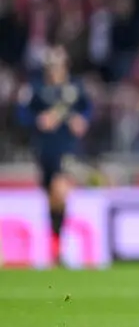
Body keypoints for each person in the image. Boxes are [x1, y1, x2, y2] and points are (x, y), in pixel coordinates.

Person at [16, 45, 92, 267]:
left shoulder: (75, 88)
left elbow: (88, 109)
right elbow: (22, 114)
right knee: (53, 200)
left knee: (60, 190)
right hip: (45, 150)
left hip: (67, 149)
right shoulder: (36, 89)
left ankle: (58, 248)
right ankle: (56, 248)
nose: (55, 69)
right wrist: (38, 120)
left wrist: (82, 121)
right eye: (51, 65)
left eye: (58, 65)